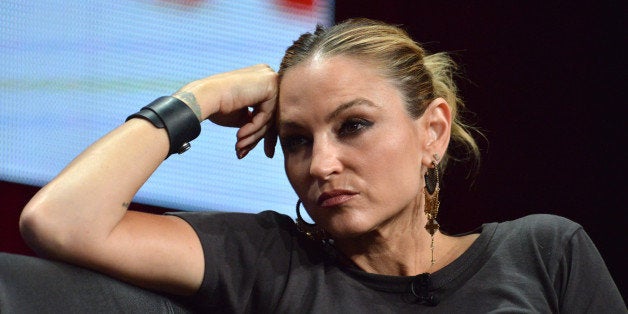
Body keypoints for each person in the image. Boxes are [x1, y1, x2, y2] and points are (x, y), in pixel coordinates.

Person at [14, 18, 625, 312]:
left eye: (353, 126)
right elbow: (60, 221)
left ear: (432, 131)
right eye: (297, 139)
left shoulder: (545, 253)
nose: (321, 164)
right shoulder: (268, 258)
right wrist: (202, 97)